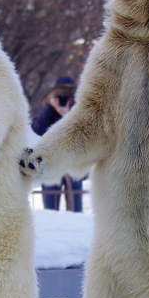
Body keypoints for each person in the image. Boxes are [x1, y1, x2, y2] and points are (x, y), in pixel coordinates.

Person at [31, 76, 83, 212]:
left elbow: (81, 134)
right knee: (50, 211)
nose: (64, 97)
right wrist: (50, 105)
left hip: (74, 164)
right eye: (61, 94)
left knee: (76, 212)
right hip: (50, 163)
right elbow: (37, 128)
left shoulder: (79, 109)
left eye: (69, 93)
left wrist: (66, 115)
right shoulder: (49, 110)